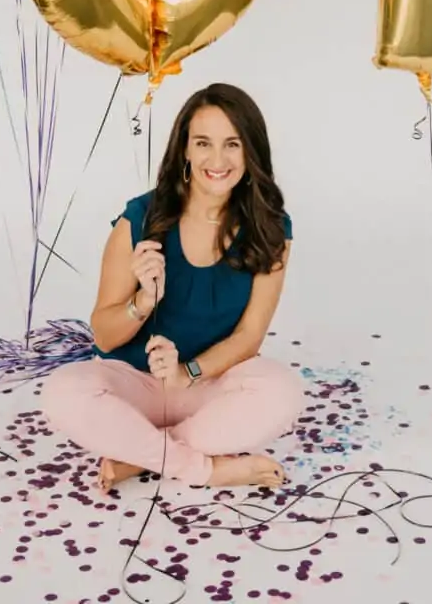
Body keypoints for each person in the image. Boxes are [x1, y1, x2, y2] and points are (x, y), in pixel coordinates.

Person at [41, 83, 305, 492]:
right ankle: (203, 469)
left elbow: (249, 338)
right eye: (203, 143)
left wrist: (188, 372)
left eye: (232, 144)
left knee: (283, 391)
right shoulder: (140, 218)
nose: (217, 159)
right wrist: (143, 301)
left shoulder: (271, 228)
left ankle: (140, 456)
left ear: (251, 151)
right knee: (64, 391)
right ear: (184, 149)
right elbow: (104, 335)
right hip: (132, 384)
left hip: (205, 385)